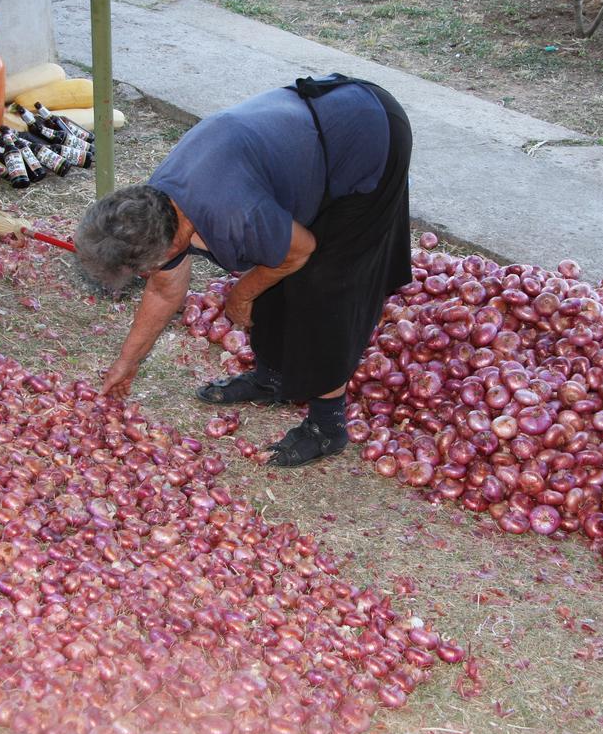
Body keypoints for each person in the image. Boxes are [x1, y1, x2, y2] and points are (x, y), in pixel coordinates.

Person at [74, 74, 412, 467]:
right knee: (268, 263)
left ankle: (328, 426)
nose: (147, 274)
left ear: (170, 243)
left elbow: (299, 251)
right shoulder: (156, 208)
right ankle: (273, 378)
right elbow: (166, 290)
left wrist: (241, 294)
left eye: (144, 268)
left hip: (369, 135)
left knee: (323, 283)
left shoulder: (235, 213)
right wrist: (126, 362)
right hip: (308, 145)